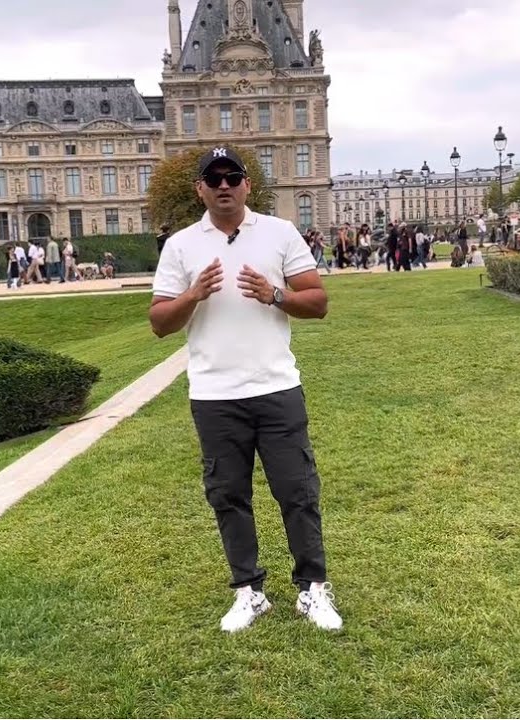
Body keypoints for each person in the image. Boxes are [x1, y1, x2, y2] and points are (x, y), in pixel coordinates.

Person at [149, 145, 342, 634]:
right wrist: (193, 294)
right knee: (228, 494)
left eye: (231, 177)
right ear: (200, 189)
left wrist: (275, 295)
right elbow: (159, 323)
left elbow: (318, 302)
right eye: (213, 179)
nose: (223, 186)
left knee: (296, 490)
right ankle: (248, 591)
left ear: (246, 185)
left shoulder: (279, 233)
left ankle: (313, 588)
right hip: (214, 394)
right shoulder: (181, 246)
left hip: (276, 387)